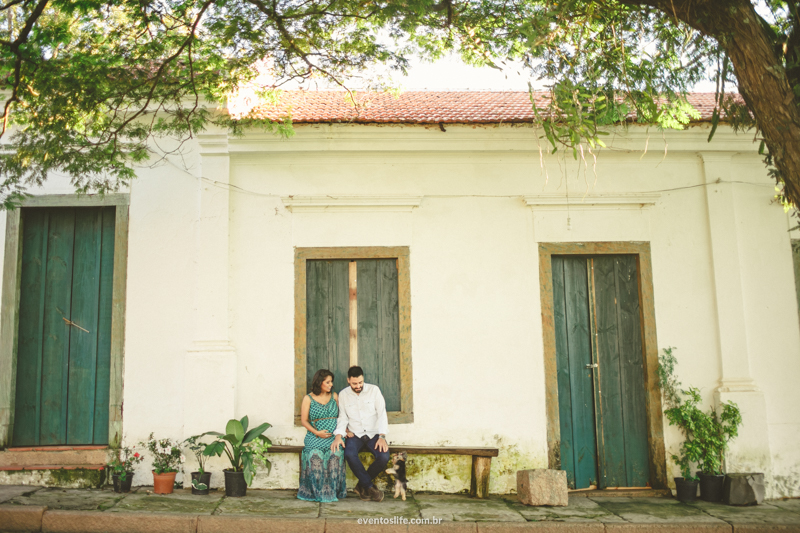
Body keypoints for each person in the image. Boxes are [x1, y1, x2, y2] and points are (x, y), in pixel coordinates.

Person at [331, 366, 389, 502]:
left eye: (360, 382)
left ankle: (361, 486)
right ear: (348, 381)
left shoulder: (374, 390)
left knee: (384, 456)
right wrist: (338, 435)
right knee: (349, 454)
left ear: (363, 379)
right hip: (355, 434)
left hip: (373, 433)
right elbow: (343, 417)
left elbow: (382, 414)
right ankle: (369, 487)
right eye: (354, 383)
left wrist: (382, 436)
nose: (358, 386)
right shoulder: (343, 394)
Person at [297, 369, 347, 502]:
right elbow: (304, 421)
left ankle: (333, 491)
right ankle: (315, 492)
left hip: (333, 437)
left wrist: (343, 432)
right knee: (314, 454)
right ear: (320, 382)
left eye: (331, 382)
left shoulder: (334, 396)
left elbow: (342, 416)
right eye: (328, 382)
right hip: (315, 436)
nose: (331, 385)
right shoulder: (308, 398)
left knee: (335, 454)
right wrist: (317, 432)